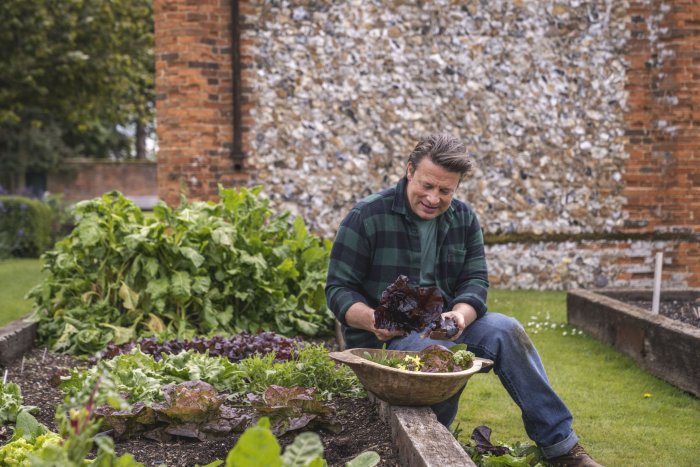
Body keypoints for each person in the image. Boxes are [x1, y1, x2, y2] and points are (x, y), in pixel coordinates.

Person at [325, 134, 603, 467]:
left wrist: (459, 316)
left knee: (505, 329)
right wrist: (373, 319)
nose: (433, 198)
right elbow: (339, 289)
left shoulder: (464, 218)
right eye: (427, 185)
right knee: (437, 357)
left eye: (445, 191)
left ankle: (561, 448)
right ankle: (434, 448)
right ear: (409, 170)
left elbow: (475, 281)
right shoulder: (367, 215)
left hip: (445, 326)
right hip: (389, 341)